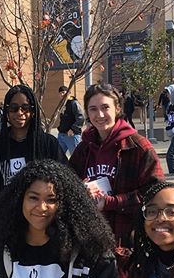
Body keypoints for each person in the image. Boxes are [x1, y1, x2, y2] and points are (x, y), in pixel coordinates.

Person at [69, 83, 163, 248]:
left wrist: (111, 202)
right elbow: (68, 184)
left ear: (117, 109)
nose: (99, 114)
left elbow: (156, 191)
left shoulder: (138, 146)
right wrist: (80, 189)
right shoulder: (83, 148)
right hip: (92, 236)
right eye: (93, 109)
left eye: (105, 107)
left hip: (128, 239)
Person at [0, 84, 66, 226]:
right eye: (13, 108)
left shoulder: (48, 144)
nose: (19, 113)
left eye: (25, 108)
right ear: (6, 112)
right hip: (6, 224)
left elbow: (64, 182)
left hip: (42, 222)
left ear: (33, 111)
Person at [57, 85, 85, 155]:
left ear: (69, 93)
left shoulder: (74, 103)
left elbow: (81, 117)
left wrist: (73, 129)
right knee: (58, 157)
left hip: (71, 135)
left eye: (63, 92)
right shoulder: (62, 104)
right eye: (60, 93)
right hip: (61, 135)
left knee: (76, 157)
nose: (62, 95)